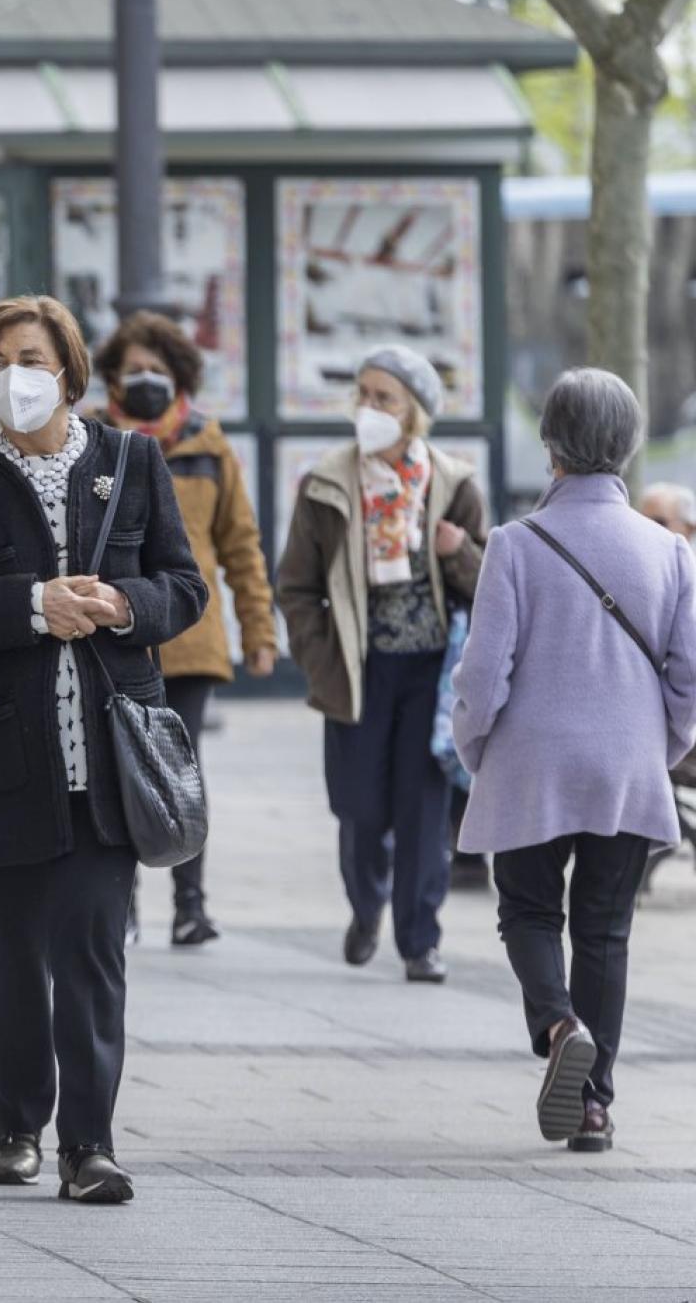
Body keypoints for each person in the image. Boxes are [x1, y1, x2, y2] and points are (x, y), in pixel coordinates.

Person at [0, 294, 205, 1204]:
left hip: (112, 755)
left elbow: (183, 587)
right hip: (4, 756)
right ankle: (17, 1125)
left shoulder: (131, 460)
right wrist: (34, 606)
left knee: (93, 950)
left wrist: (122, 606)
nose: (10, 377)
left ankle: (91, 1144)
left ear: (69, 370)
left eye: (27, 358)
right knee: (13, 952)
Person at [453, 368, 696, 1153]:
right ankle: (594, 1106)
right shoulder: (671, 551)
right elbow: (689, 676)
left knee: (525, 910)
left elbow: (484, 672)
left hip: (530, 761)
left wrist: (475, 746)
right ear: (627, 448)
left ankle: (559, 1023)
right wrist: (661, 747)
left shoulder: (515, 546)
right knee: (604, 929)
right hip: (628, 763)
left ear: (551, 447)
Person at [277, 345, 487, 985]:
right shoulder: (326, 482)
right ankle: (366, 907)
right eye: (362, 394)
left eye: (384, 397)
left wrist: (456, 553)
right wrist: (319, 659)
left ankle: (419, 939)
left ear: (414, 412)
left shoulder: (454, 485)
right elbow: (296, 586)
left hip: (432, 672)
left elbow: (494, 590)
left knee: (424, 812)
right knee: (360, 808)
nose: (368, 407)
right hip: (357, 671)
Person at [95, 311, 275, 946]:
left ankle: (190, 904)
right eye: (133, 369)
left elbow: (241, 546)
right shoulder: (91, 439)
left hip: (191, 641)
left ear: (181, 377)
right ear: (113, 376)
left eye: (159, 371)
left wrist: (260, 632)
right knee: (115, 769)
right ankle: (124, 904)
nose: (146, 380)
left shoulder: (207, 444)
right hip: (112, 633)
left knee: (180, 770)